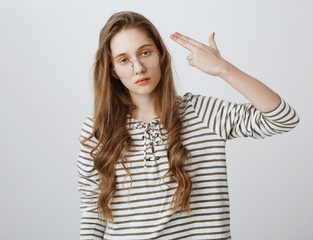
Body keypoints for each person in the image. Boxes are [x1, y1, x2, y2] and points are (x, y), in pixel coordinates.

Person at [77, 11, 299, 240]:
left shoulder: (201, 113)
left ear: (161, 55)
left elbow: (282, 118)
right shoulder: (98, 129)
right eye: (124, 60)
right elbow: (92, 210)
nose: (138, 68)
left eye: (145, 53)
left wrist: (224, 69)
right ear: (113, 71)